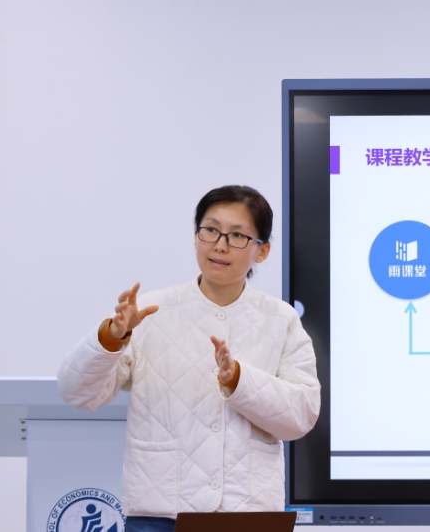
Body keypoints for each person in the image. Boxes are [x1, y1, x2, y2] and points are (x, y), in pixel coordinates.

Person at [57, 185, 321, 532]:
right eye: (210, 230)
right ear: (196, 236)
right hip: (161, 516)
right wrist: (111, 337)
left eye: (237, 235)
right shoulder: (150, 311)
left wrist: (238, 380)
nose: (220, 245)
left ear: (262, 251)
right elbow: (77, 392)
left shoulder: (280, 320)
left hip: (249, 515)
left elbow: (300, 416)